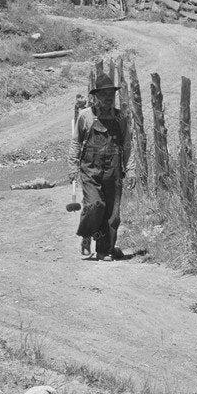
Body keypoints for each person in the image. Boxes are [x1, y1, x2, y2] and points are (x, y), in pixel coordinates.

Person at [69, 59, 128, 261]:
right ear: (96, 97)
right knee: (95, 205)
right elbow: (76, 143)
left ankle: (104, 250)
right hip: (90, 169)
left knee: (113, 213)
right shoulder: (86, 116)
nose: (108, 99)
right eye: (103, 95)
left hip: (114, 170)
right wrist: (72, 166)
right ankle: (86, 235)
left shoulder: (121, 118)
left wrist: (132, 168)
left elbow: (127, 145)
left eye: (111, 95)